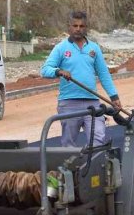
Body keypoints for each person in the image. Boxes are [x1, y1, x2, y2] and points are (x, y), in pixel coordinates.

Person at [40, 11, 122, 147]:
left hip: (92, 102)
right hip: (69, 103)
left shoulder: (94, 48)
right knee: (68, 143)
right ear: (69, 27)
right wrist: (59, 71)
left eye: (82, 26)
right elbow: (45, 70)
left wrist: (114, 96)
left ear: (86, 27)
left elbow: (103, 74)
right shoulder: (60, 48)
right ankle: (71, 168)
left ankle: (94, 166)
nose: (78, 29)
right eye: (75, 25)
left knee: (99, 139)